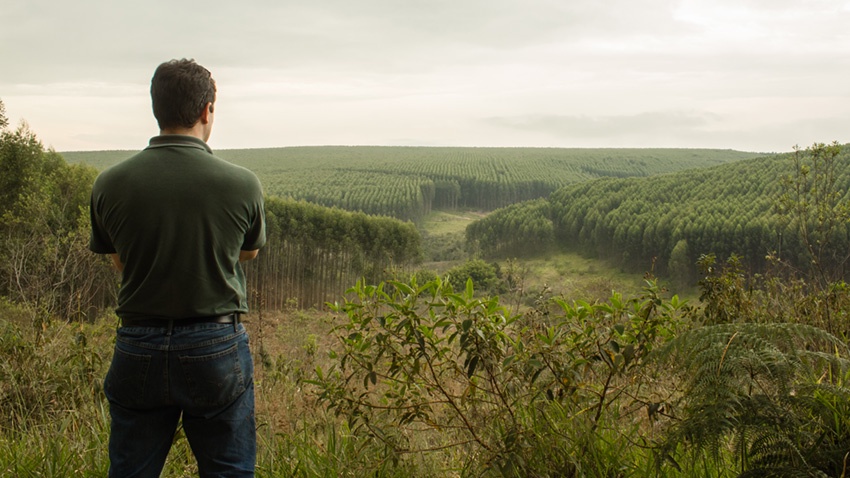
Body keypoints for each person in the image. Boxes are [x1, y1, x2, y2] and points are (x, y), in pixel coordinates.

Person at [89, 58, 266, 477]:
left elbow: (119, 261)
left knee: (131, 470)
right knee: (229, 470)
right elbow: (247, 254)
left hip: (138, 343)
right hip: (215, 344)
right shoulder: (242, 183)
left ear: (157, 107)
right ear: (207, 110)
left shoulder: (109, 183)